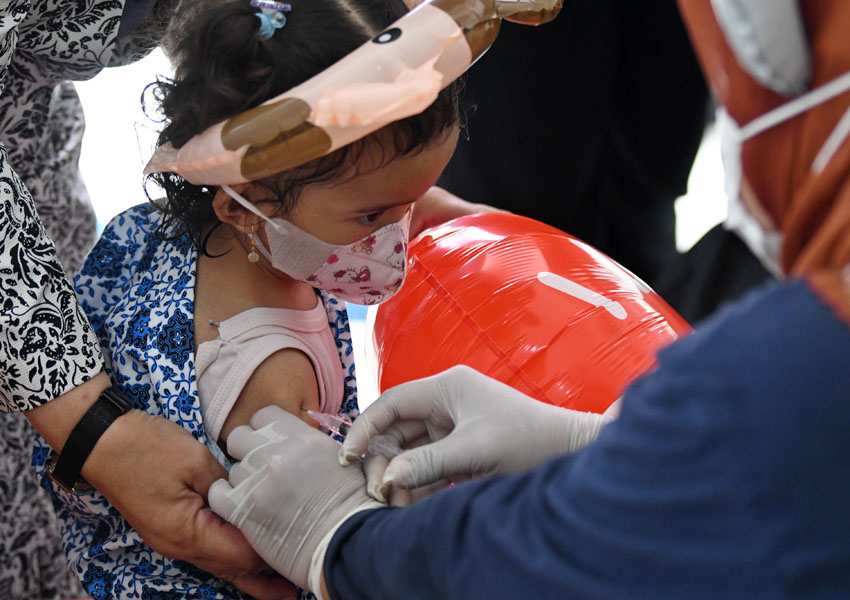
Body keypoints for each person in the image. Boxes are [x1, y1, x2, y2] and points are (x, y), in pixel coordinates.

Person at [205, 0, 850, 598]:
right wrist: (596, 439)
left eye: (408, 207)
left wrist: (343, 540)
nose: (400, 237)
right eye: (376, 213)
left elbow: (660, 540)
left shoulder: (796, 362)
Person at [30, 0, 493, 597]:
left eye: (418, 198)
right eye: (375, 215)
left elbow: (361, 185)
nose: (397, 233)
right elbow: (303, 537)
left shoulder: (189, 231)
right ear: (247, 208)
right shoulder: (274, 375)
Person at [1, 2, 288, 599]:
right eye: (371, 214)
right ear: (238, 206)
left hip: (34, 170)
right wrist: (90, 427)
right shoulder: (145, 292)